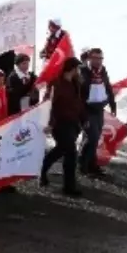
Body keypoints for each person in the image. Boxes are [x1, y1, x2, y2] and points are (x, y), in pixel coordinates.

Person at [40, 57, 83, 196]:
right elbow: (48, 104)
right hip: (59, 123)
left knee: (61, 150)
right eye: (77, 68)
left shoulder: (76, 83)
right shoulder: (56, 83)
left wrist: (84, 118)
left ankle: (42, 168)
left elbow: (79, 103)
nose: (78, 71)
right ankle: (69, 187)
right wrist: (50, 123)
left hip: (73, 123)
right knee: (71, 153)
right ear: (71, 68)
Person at [78, 48, 115, 176]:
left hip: (99, 108)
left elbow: (108, 87)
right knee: (92, 137)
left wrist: (113, 104)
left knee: (95, 137)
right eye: (96, 58)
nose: (98, 61)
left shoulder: (103, 70)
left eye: (100, 58)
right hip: (87, 108)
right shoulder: (82, 71)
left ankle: (92, 164)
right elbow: (79, 91)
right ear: (89, 58)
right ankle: (82, 164)